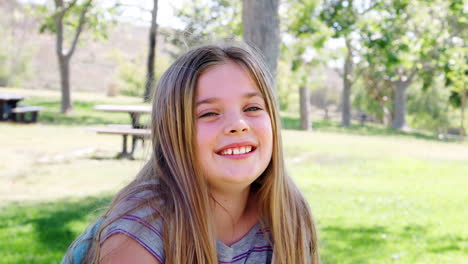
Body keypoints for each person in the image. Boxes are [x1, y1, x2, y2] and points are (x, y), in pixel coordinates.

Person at [62, 43, 319, 264]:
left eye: (252, 107)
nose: (238, 124)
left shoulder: (288, 214)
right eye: (208, 113)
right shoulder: (141, 228)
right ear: (173, 134)